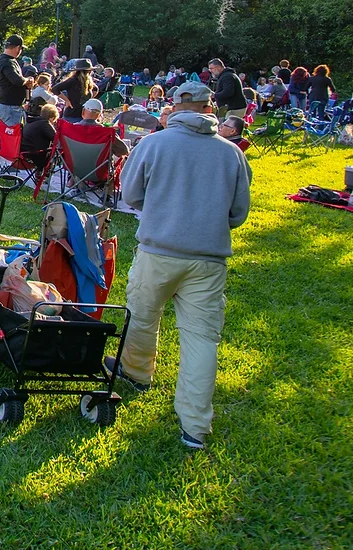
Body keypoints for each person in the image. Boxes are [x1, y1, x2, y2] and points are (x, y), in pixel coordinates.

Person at [114, 78, 251, 451]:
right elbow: (237, 213)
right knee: (202, 339)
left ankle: (137, 372)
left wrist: (162, 211)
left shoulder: (153, 144)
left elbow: (130, 194)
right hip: (208, 258)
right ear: (211, 109)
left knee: (142, 315)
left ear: (173, 106)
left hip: (159, 250)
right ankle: (195, 425)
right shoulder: (232, 153)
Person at [0, 34, 27, 128]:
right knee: (9, 136)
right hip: (9, 106)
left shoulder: (8, 60)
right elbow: (17, 80)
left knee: (10, 136)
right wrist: (27, 80)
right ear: (17, 48)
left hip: (11, 105)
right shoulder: (7, 62)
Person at [21, 103, 60, 170]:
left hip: (23, 152)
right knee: (56, 152)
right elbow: (56, 138)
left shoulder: (30, 122)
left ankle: (40, 173)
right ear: (51, 118)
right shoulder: (45, 124)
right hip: (36, 156)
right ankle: (45, 174)